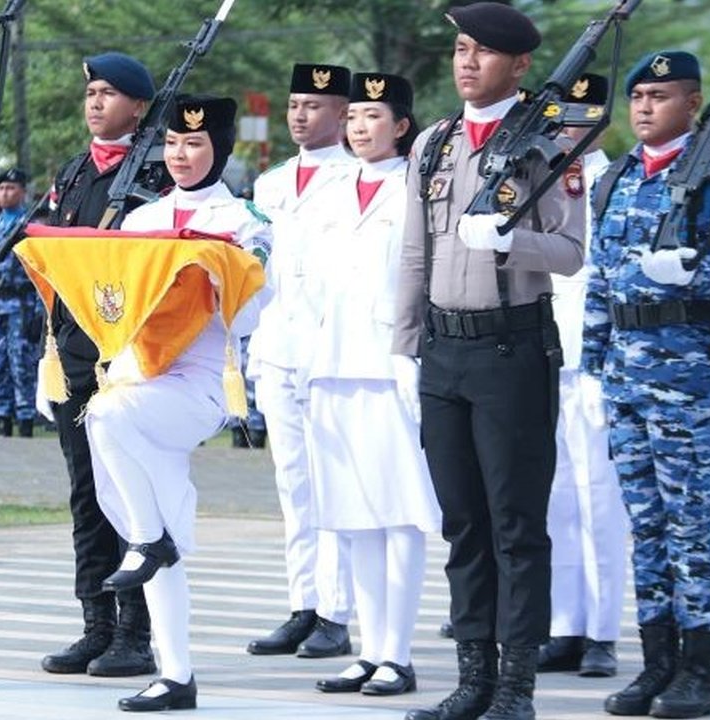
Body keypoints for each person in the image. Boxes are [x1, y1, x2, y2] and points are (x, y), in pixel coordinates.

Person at [396, 4, 585, 719]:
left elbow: (570, 252)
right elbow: (413, 251)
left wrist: (511, 240)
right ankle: (473, 678)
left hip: (512, 349)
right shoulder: (434, 144)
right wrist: (404, 345)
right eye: (460, 49)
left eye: (483, 52)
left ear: (520, 64)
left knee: (515, 524)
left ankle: (516, 687)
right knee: (463, 523)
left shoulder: (547, 145)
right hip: (444, 350)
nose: (467, 62)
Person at [581, 51, 710, 718]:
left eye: (659, 97)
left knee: (691, 526)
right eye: (638, 97)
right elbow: (600, 280)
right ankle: (656, 663)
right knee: (646, 525)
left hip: (689, 377)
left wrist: (694, 271)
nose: (644, 107)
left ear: (691, 103)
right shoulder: (616, 178)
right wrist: (594, 366)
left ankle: (697, 672)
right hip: (625, 379)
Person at [74, 94, 271, 712]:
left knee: (103, 414)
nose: (180, 155)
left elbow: (254, 314)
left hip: (201, 380)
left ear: (221, 149)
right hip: (140, 372)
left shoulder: (245, 222)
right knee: (156, 515)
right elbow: (116, 301)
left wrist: (212, 278)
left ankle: (146, 539)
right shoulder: (142, 220)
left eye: (195, 144)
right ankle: (176, 674)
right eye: (173, 143)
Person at [304, 71, 437, 698]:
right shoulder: (330, 190)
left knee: (399, 512)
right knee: (352, 515)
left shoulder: (419, 187)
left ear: (402, 126)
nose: (359, 127)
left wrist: (413, 353)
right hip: (331, 361)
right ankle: (369, 649)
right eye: (353, 116)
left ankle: (398, 654)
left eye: (373, 116)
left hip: (390, 365)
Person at [36, 51, 162, 680]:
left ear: (138, 106)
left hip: (130, 355)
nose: (95, 102)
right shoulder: (75, 170)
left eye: (109, 93)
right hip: (75, 352)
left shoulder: (158, 172)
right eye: (91, 93)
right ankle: (97, 625)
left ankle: (136, 632)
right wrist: (49, 351)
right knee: (86, 493)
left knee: (130, 495)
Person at [245, 61, 356, 661]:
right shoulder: (271, 183)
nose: (299, 115)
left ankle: (336, 613)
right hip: (277, 347)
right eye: (294, 105)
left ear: (342, 113)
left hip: (332, 351)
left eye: (313, 106)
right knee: (293, 485)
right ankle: (303, 604)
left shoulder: (357, 177)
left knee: (332, 483)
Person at [538, 72, 630, 680]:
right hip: (542, 350)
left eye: (582, 119)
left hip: (596, 357)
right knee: (554, 499)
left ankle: (602, 631)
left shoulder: (615, 181)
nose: (570, 129)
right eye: (562, 119)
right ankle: (563, 624)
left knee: (599, 500)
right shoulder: (536, 178)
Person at [0, 168, 40, 437]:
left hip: (21, 304)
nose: (5, 193)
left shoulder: (30, 227)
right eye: (1, 188)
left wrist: (39, 311)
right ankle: (1, 418)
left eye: (11, 188)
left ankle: (26, 420)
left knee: (22, 364)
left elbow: (40, 272)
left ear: (23, 192)